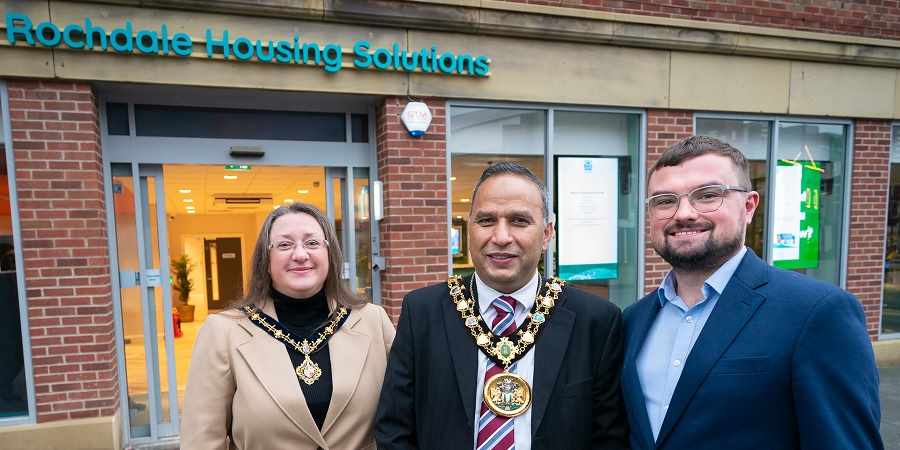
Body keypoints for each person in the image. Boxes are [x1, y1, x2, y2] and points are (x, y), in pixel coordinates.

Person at [621, 136, 883, 450]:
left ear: (749, 206)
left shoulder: (817, 313)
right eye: (665, 200)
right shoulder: (634, 319)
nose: (684, 213)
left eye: (707, 196)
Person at [376, 162, 628, 450]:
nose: (501, 237)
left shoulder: (595, 321)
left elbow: (609, 438)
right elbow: (394, 429)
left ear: (547, 234)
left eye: (519, 221)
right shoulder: (422, 312)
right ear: (469, 228)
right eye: (486, 221)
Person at [181, 203, 395, 450]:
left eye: (312, 243)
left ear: (330, 253)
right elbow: (202, 441)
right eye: (284, 245)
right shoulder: (223, 332)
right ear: (266, 259)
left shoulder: (373, 322)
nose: (301, 254)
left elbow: (407, 415)